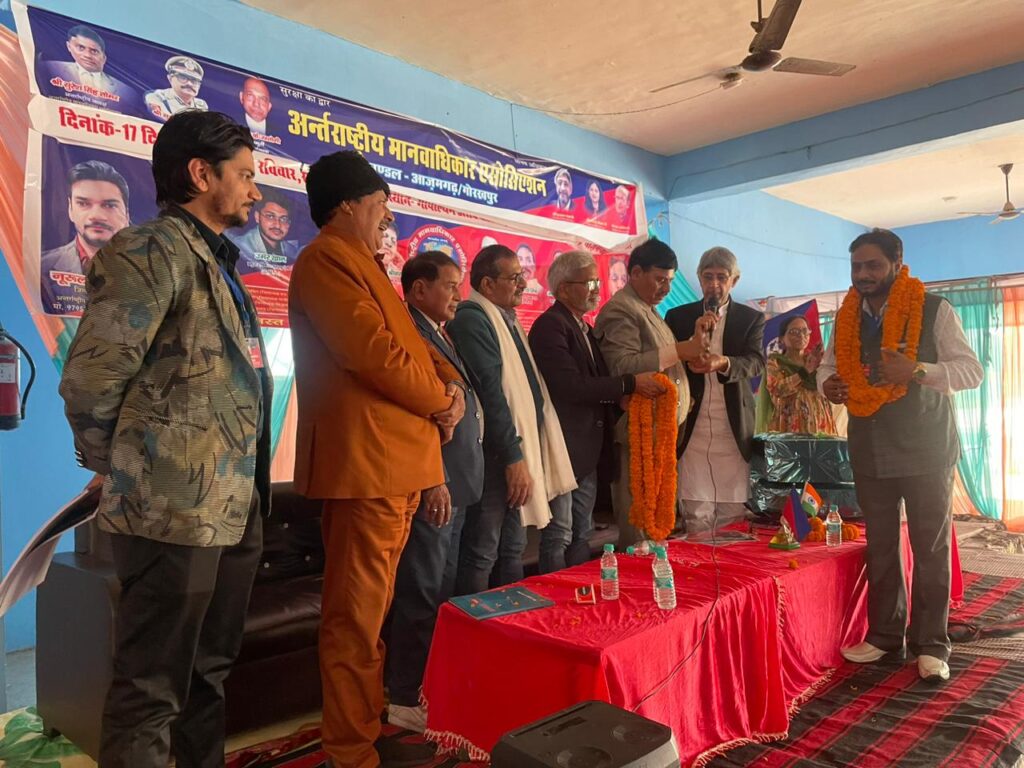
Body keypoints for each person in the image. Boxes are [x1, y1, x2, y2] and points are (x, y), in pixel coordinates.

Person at [58, 111, 271, 768]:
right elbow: (91, 380)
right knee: (151, 689)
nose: (255, 190)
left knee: (207, 673)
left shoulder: (219, 262)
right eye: (244, 175)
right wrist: (118, 465)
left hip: (233, 504)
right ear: (200, 174)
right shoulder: (149, 250)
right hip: (170, 508)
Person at [289, 150, 465, 768]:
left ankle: (366, 728)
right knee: (355, 621)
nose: (387, 218)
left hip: (396, 467)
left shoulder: (365, 264)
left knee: (375, 616)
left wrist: (450, 383)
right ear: (347, 205)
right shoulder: (326, 260)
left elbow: (412, 344)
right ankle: (349, 750)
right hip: (367, 468)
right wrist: (441, 402)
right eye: (380, 205)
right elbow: (373, 355)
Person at [819, 228, 982, 683]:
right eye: (856, 267)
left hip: (926, 445)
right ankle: (886, 636)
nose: (863, 275)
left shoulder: (933, 309)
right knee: (881, 544)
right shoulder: (846, 316)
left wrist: (917, 370)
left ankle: (932, 643)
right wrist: (826, 384)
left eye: (873, 265)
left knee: (930, 546)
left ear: (896, 263)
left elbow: (971, 371)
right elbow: (828, 366)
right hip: (869, 445)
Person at [385, 251, 484, 734]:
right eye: (449, 285)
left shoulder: (440, 333)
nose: (457, 296)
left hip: (459, 483)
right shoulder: (408, 332)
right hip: (435, 485)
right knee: (421, 591)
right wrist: (434, 478)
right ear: (419, 289)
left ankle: (430, 684)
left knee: (441, 592)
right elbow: (417, 417)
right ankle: (404, 695)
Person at [447, 244, 576, 592]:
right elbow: (492, 393)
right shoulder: (473, 318)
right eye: (514, 277)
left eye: (522, 275)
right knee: (483, 552)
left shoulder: (507, 319)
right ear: (487, 284)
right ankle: (474, 624)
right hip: (496, 456)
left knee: (513, 547)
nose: (523, 284)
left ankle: (513, 620)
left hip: (514, 451)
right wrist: (513, 457)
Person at [529, 251, 665, 566]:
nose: (596, 290)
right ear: (563, 289)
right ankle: (557, 593)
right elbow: (570, 386)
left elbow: (596, 381)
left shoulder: (583, 327)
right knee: (560, 534)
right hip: (563, 447)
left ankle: (582, 590)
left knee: (582, 533)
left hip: (586, 451)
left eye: (597, 282)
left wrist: (620, 399)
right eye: (589, 283)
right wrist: (629, 384)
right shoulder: (550, 326)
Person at [593, 239, 711, 547]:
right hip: (641, 433)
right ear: (635, 273)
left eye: (670, 281)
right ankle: (637, 573)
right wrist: (681, 350)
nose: (666, 288)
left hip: (663, 431)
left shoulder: (648, 309)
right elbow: (622, 366)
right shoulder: (621, 310)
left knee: (657, 521)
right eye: (660, 279)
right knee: (640, 521)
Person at [666, 247, 765, 535]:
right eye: (708, 277)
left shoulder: (750, 318)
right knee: (696, 512)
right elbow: (668, 360)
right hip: (692, 427)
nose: (714, 285)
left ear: (734, 280)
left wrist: (723, 363)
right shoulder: (678, 316)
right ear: (699, 278)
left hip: (732, 427)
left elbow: (756, 362)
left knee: (732, 516)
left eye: (722, 277)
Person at [41, 159, 130, 311]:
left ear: (127, 214)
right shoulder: (41, 267)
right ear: (70, 209)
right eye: (83, 204)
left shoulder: (158, 273)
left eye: (109, 205)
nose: (96, 216)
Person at [763, 314, 837, 435]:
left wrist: (823, 365)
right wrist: (806, 371)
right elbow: (778, 389)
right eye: (794, 332)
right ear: (781, 338)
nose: (801, 335)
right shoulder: (776, 362)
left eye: (805, 331)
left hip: (820, 422)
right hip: (790, 426)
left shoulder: (815, 359)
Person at [44, 24, 136, 107]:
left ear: (104, 57)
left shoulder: (125, 91)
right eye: (81, 48)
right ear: (69, 46)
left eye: (94, 51)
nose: (87, 55)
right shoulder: (49, 69)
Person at [228, 186, 299, 274]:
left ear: (289, 223)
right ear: (257, 217)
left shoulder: (291, 251)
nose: (277, 225)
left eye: (283, 219)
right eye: (270, 216)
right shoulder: (239, 246)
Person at [146, 56, 208, 122]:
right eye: (183, 78)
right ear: (170, 78)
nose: (189, 84)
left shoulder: (201, 105)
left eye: (194, 81)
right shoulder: (157, 97)